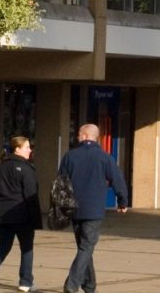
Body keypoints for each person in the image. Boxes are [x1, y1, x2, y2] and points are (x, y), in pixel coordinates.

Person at [58, 123, 129, 293]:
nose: (77, 137)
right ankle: (72, 283)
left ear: (84, 135)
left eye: (78, 135)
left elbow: (60, 182)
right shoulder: (105, 157)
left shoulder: (70, 156)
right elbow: (118, 180)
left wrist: (61, 205)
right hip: (94, 210)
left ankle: (89, 286)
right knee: (86, 247)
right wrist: (122, 201)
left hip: (74, 208)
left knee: (84, 247)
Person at [0, 136, 39, 292]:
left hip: (2, 214)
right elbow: (31, 195)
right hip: (22, 214)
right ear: (17, 149)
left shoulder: (0, 167)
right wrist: (36, 219)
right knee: (27, 248)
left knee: (3, 245)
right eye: (27, 147)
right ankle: (25, 282)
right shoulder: (26, 168)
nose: (30, 150)